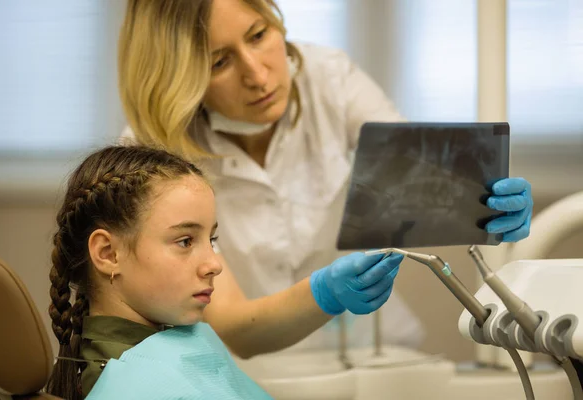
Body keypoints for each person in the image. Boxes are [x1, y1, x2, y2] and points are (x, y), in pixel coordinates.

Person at [117, 0, 534, 354]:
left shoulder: (328, 77)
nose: (258, 75)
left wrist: (485, 201)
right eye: (220, 61)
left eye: (259, 35)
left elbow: (419, 174)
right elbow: (231, 326)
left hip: (377, 350)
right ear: (180, 77)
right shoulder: (153, 153)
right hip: (255, 372)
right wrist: (325, 294)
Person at [45, 145, 404, 399]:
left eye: (211, 239)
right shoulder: (144, 382)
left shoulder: (171, 346)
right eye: (185, 241)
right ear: (108, 253)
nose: (214, 264)